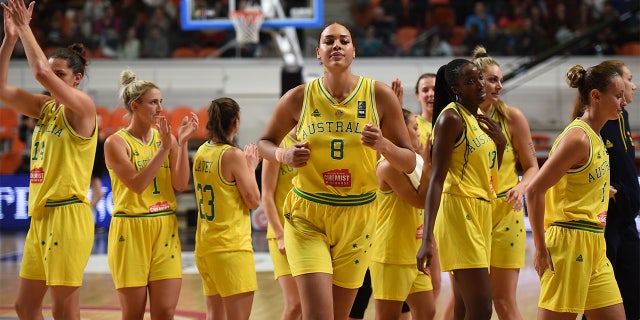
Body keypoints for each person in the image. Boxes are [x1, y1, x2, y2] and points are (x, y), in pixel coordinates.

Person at [257, 22, 416, 320]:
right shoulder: (299, 97)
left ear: (354, 51)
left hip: (359, 216)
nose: (337, 45)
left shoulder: (380, 95)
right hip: (308, 216)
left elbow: (408, 161)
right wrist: (284, 154)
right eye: (329, 41)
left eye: (344, 40)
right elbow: (264, 142)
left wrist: (383, 145)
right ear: (318, 52)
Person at [0, 1, 98, 319]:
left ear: (77, 79)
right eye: (53, 73)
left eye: (61, 75)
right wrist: (10, 38)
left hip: (68, 216)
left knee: (63, 311)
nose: (51, 79)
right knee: (25, 307)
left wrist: (25, 26)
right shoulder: (45, 108)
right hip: (40, 217)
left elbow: (41, 71)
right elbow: (0, 88)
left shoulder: (83, 108)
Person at [525, 63, 626, 318]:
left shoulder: (596, 136)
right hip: (569, 242)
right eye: (618, 95)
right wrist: (539, 247)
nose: (624, 101)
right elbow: (535, 190)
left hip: (595, 243)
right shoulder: (578, 138)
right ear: (595, 96)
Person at [416, 59, 507, 320]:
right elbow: (436, 179)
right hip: (459, 212)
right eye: (470, 81)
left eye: (480, 77)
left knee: (464, 308)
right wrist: (426, 240)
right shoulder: (451, 118)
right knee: (481, 308)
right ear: (456, 88)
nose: (480, 84)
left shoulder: (476, 119)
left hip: (481, 210)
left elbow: (488, 173)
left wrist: (499, 144)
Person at [104, 69, 198, 319]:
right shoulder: (116, 142)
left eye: (161, 102)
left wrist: (182, 143)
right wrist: (165, 149)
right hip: (131, 228)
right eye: (153, 102)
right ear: (135, 106)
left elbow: (180, 184)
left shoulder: (166, 138)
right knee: (133, 313)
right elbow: (137, 184)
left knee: (166, 311)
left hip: (165, 224)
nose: (160, 108)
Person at [472, 46, 539, 320]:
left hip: (505, 213)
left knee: (504, 301)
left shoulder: (512, 117)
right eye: (492, 80)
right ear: (475, 81)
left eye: (500, 80)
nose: (499, 85)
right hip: (469, 212)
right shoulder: (456, 117)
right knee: (472, 303)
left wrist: (522, 186)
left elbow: (533, 166)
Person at [193, 97, 261, 320]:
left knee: (215, 315)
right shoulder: (233, 155)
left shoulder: (202, 152)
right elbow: (254, 201)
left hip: (206, 246)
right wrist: (251, 167)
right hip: (231, 247)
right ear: (236, 122)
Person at [371, 108, 435, 319]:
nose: (419, 133)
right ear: (400, 130)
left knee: (427, 312)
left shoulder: (414, 159)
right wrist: (428, 166)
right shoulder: (387, 166)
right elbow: (419, 200)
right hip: (391, 254)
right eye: (415, 128)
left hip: (414, 251)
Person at [591, 60, 639, 320]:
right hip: (605, 222)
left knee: (632, 295)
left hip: (627, 220)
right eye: (628, 79)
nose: (633, 85)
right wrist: (601, 188)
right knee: (599, 301)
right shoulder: (587, 127)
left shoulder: (623, 116)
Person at [261, 127, 303, 320]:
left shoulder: (316, 141)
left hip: (310, 234)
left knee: (311, 306)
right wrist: (279, 235)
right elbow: (267, 195)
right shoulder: (278, 146)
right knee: (295, 305)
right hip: (283, 234)